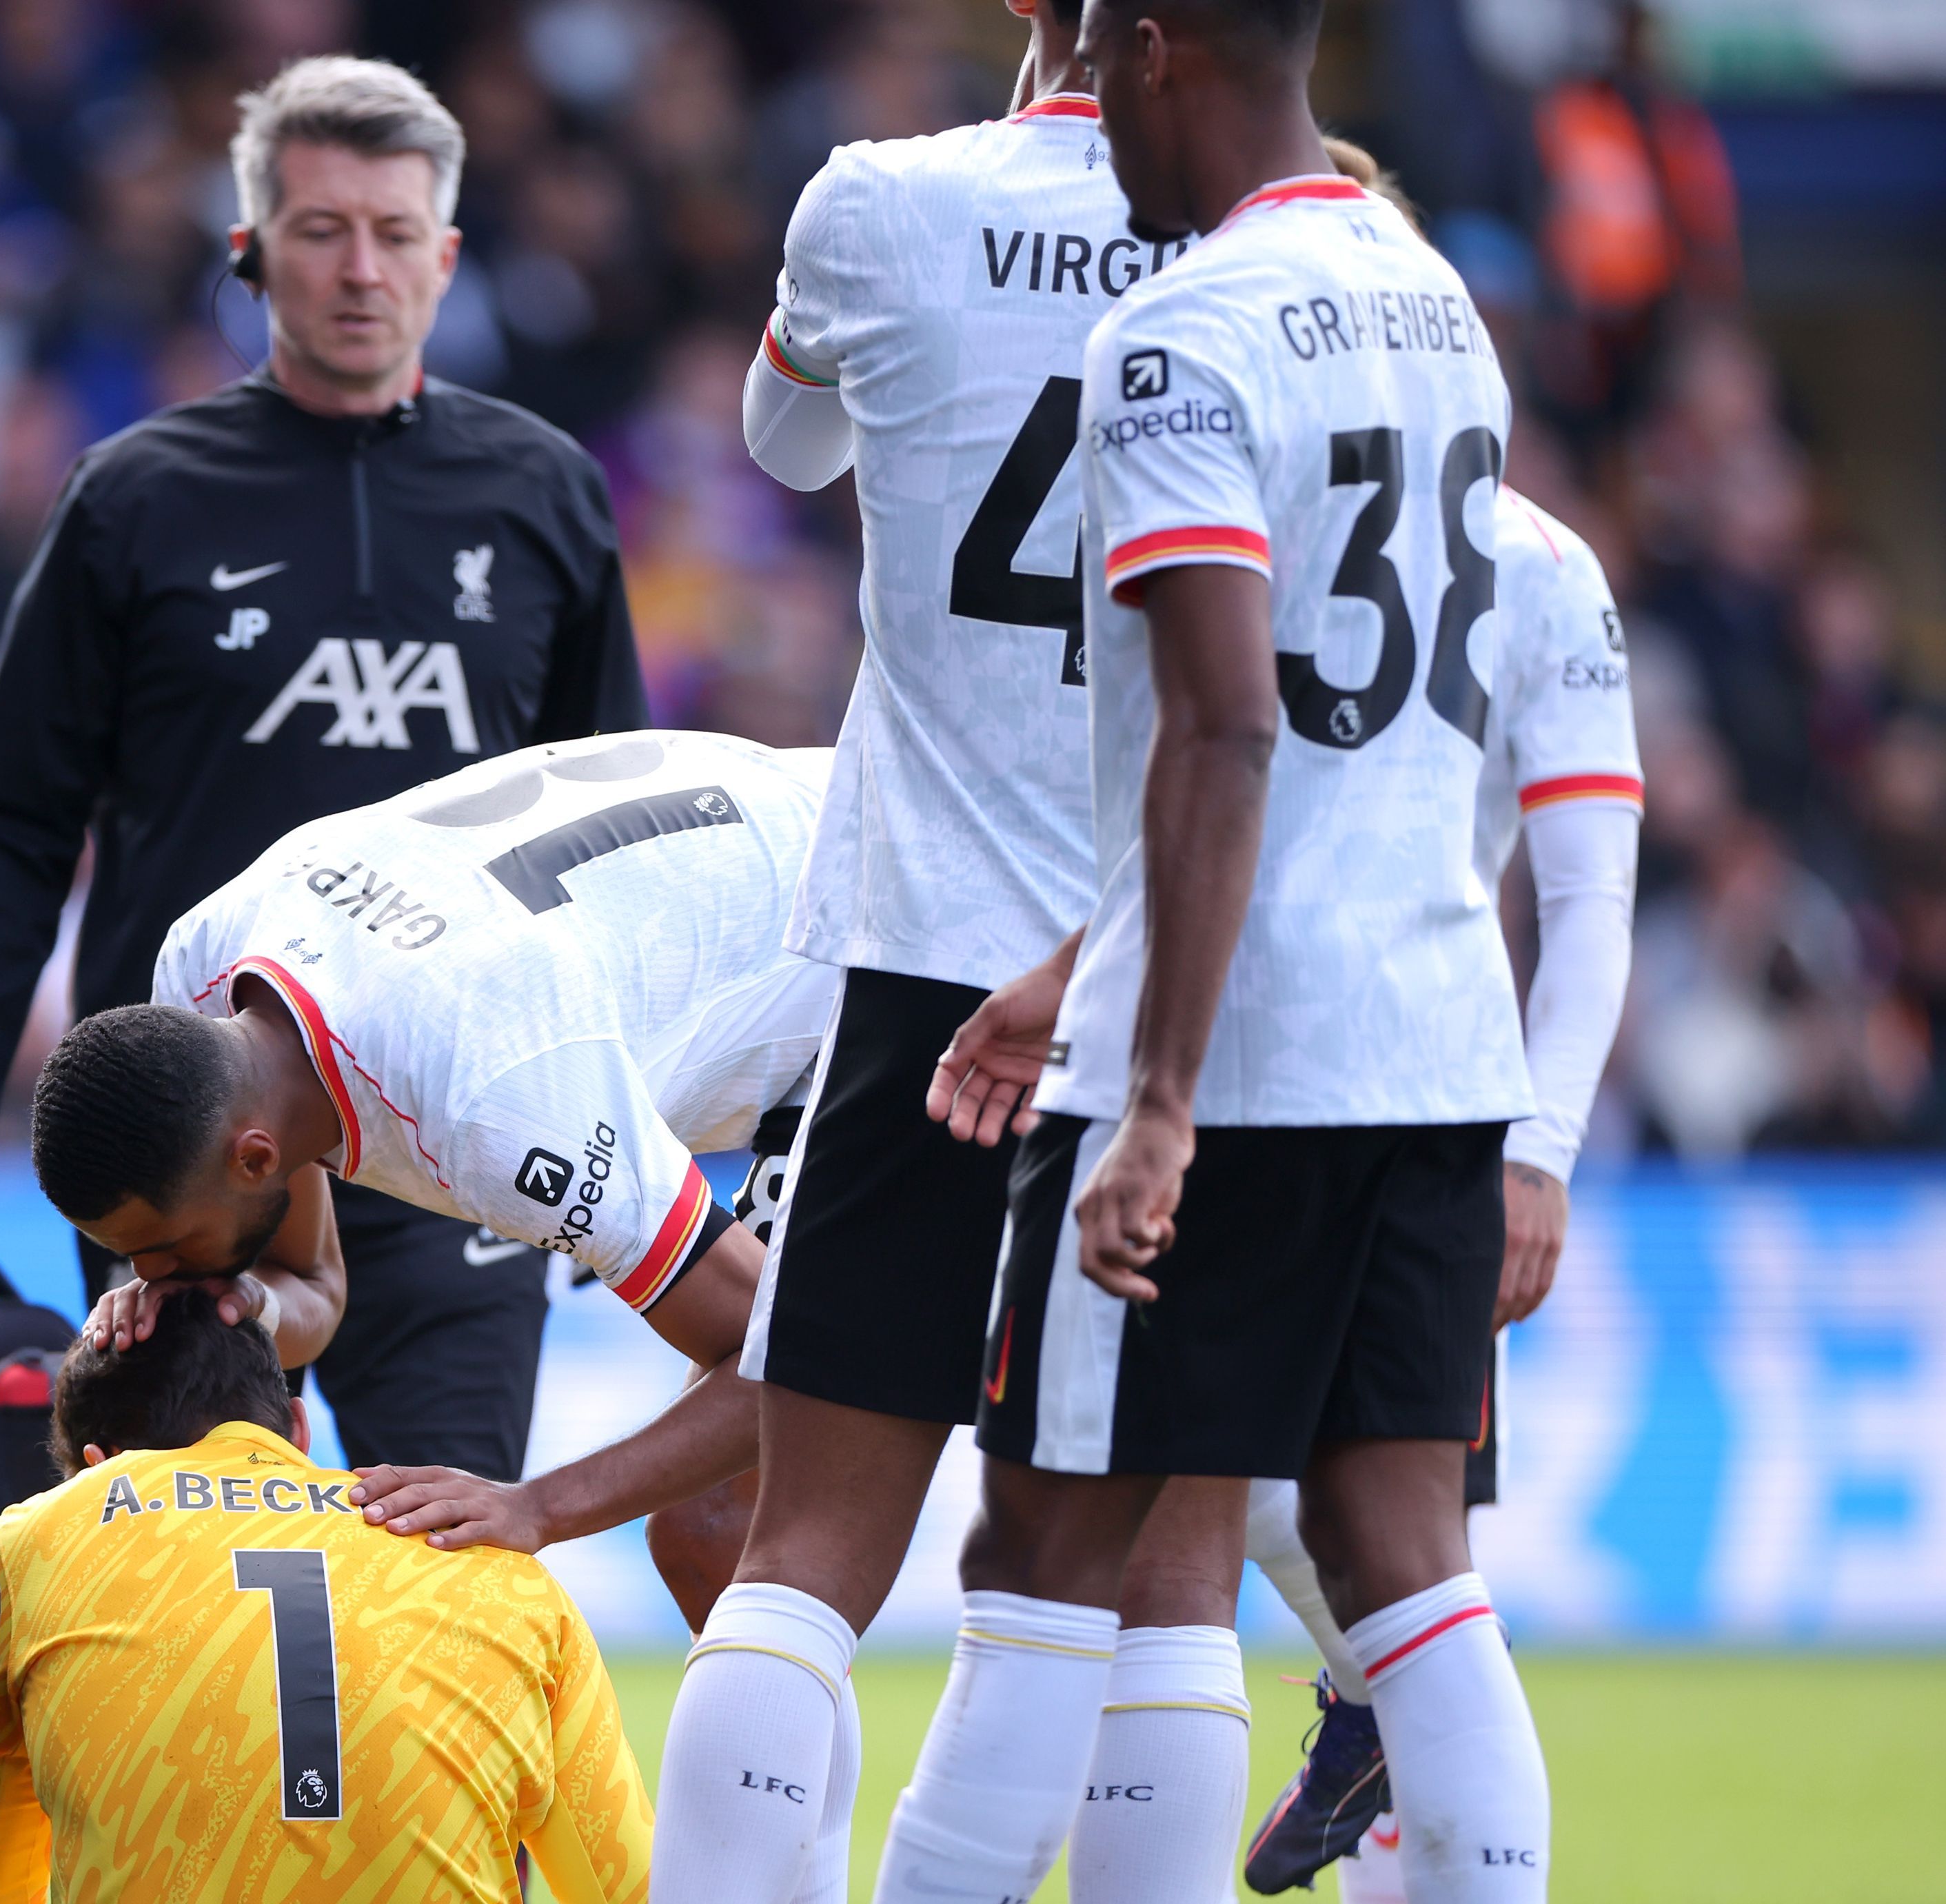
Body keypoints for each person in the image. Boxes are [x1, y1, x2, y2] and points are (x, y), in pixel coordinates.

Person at [914, 0, 1551, 1897]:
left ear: (1168, 51)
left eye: (1096, 63)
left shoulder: (1175, 332)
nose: (1084, 106)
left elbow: (1223, 727)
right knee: (1395, 1555)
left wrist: (1157, 1097)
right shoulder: (1435, 302)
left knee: (1040, 1556)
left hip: (1236, 1060)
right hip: (1432, 1040)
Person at [0, 53, 647, 1490]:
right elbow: (8, 840)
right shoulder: (132, 500)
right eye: (319, 229)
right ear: (247, 254)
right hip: (186, 1142)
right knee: (183, 1597)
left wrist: (621, 1149)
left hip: (460, 1138)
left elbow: (603, 857)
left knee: (447, 1573)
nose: (361, 269)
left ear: (448, 254)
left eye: (393, 231)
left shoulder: (544, 494)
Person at [668, 3, 1179, 1896]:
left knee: (803, 1553)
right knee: (1143, 1572)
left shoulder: (877, 204)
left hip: (913, 972)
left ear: (1023, 21)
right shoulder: (1276, 250)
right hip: (1168, 986)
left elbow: (782, 445)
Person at [28, 727, 840, 1608]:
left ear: (254, 1157)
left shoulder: (499, 1105)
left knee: (712, 1533)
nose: (152, 1275)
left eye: (168, 1246)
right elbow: (314, 1286)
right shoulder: (203, 976)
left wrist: (536, 1507)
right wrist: (248, 1303)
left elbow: (791, 1353)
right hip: (758, 828)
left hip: (867, 930)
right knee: (705, 1535)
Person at [1239, 148, 1645, 1904]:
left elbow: (1593, 890)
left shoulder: (1539, 569)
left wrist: (1541, 1149)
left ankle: (1362, 1704)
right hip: (1206, 1071)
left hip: (1399, 1095)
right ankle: (1356, 1700)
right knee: (1204, 1529)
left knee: (1353, 1554)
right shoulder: (1222, 495)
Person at [0, 1287, 651, 1903]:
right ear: (297, 1429)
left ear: (96, 1467)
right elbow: (630, 1883)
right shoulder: (489, 1552)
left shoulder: (42, 1535)